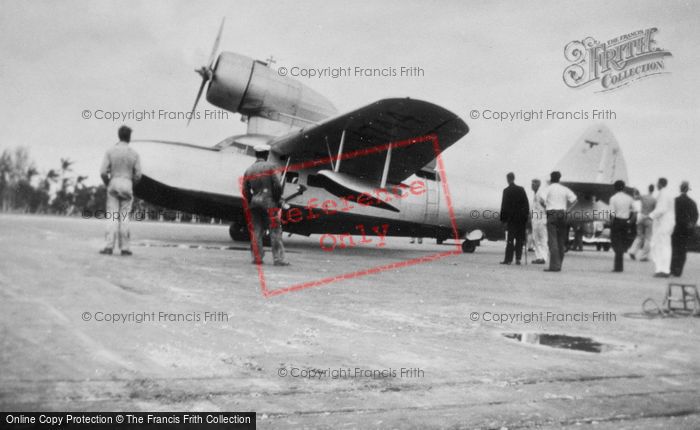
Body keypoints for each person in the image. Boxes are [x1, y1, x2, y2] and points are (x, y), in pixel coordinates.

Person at [243, 144, 289, 266]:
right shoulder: (270, 167)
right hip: (269, 203)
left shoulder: (249, 170)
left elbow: (245, 190)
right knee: (275, 230)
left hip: (254, 203)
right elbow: (277, 186)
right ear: (267, 154)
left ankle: (257, 258)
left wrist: (251, 200)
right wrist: (277, 199)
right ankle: (278, 259)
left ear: (256, 154)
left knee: (256, 231)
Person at [99, 125, 141, 256]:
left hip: (114, 181)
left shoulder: (110, 151)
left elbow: (103, 172)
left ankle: (109, 246)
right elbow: (138, 174)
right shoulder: (134, 154)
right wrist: (131, 183)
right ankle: (125, 248)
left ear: (119, 135)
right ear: (129, 137)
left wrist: (108, 183)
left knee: (112, 216)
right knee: (124, 217)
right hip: (127, 183)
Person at [540, 171, 577, 272]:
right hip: (562, 214)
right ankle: (559, 264)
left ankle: (554, 266)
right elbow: (574, 200)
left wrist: (546, 207)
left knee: (553, 240)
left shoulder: (548, 188)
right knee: (561, 240)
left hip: (552, 213)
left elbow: (541, 200)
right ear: (559, 178)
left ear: (551, 178)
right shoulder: (564, 189)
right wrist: (568, 210)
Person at [499, 172, 529, 265]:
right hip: (521, 219)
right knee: (519, 239)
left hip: (511, 219)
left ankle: (508, 260)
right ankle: (518, 259)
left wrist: (503, 220)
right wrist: (525, 217)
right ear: (514, 178)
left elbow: (504, 206)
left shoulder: (506, 191)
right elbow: (526, 204)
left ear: (508, 179)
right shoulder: (521, 189)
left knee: (510, 240)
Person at [649, 177, 675, 277]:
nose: (656, 185)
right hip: (666, 223)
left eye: (657, 183)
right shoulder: (667, 193)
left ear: (660, 184)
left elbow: (661, 208)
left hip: (664, 224)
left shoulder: (663, 194)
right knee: (664, 246)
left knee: (661, 246)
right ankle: (663, 269)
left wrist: (651, 216)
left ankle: (662, 270)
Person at [671, 181, 698, 277]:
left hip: (676, 228)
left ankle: (673, 269)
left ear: (680, 189)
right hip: (686, 230)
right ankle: (678, 271)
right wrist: (691, 224)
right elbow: (695, 216)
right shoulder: (692, 202)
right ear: (688, 190)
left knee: (674, 249)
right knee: (682, 250)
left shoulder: (675, 200)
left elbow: (671, 215)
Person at [608, 180, 635, 272]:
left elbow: (612, 213)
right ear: (624, 187)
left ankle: (618, 266)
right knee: (622, 242)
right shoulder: (629, 198)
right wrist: (630, 221)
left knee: (616, 243)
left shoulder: (613, 198)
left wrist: (611, 223)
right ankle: (619, 265)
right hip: (625, 222)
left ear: (615, 188)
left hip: (616, 221)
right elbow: (635, 212)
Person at [629, 184, 656, 261]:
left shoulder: (643, 197)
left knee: (639, 236)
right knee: (648, 238)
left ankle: (633, 251)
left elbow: (635, 198)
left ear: (648, 189)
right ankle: (644, 256)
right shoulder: (654, 200)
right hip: (649, 219)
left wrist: (635, 192)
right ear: (653, 190)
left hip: (641, 218)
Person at [530, 178, 548, 264]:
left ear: (538, 185)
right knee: (535, 239)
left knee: (542, 239)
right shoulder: (535, 193)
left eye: (533, 184)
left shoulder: (541, 193)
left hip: (541, 218)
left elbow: (546, 204)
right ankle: (539, 257)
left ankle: (543, 257)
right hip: (536, 219)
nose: (532, 186)